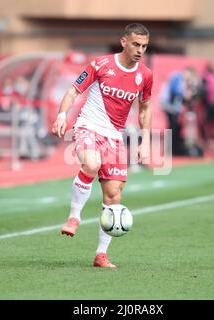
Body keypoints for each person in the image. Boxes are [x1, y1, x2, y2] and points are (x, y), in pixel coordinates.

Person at [51, 23, 153, 268]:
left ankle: (101, 255)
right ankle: (74, 217)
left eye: (144, 46)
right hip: (88, 126)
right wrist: (62, 115)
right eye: (136, 44)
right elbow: (74, 91)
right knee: (92, 163)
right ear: (124, 42)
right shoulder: (100, 65)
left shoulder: (145, 76)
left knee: (114, 196)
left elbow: (145, 108)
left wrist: (146, 140)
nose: (140, 50)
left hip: (114, 136)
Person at [200, 63, 214, 146]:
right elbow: (203, 91)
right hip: (209, 103)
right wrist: (205, 101)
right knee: (206, 121)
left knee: (213, 121)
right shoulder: (205, 78)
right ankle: (205, 138)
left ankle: (212, 138)